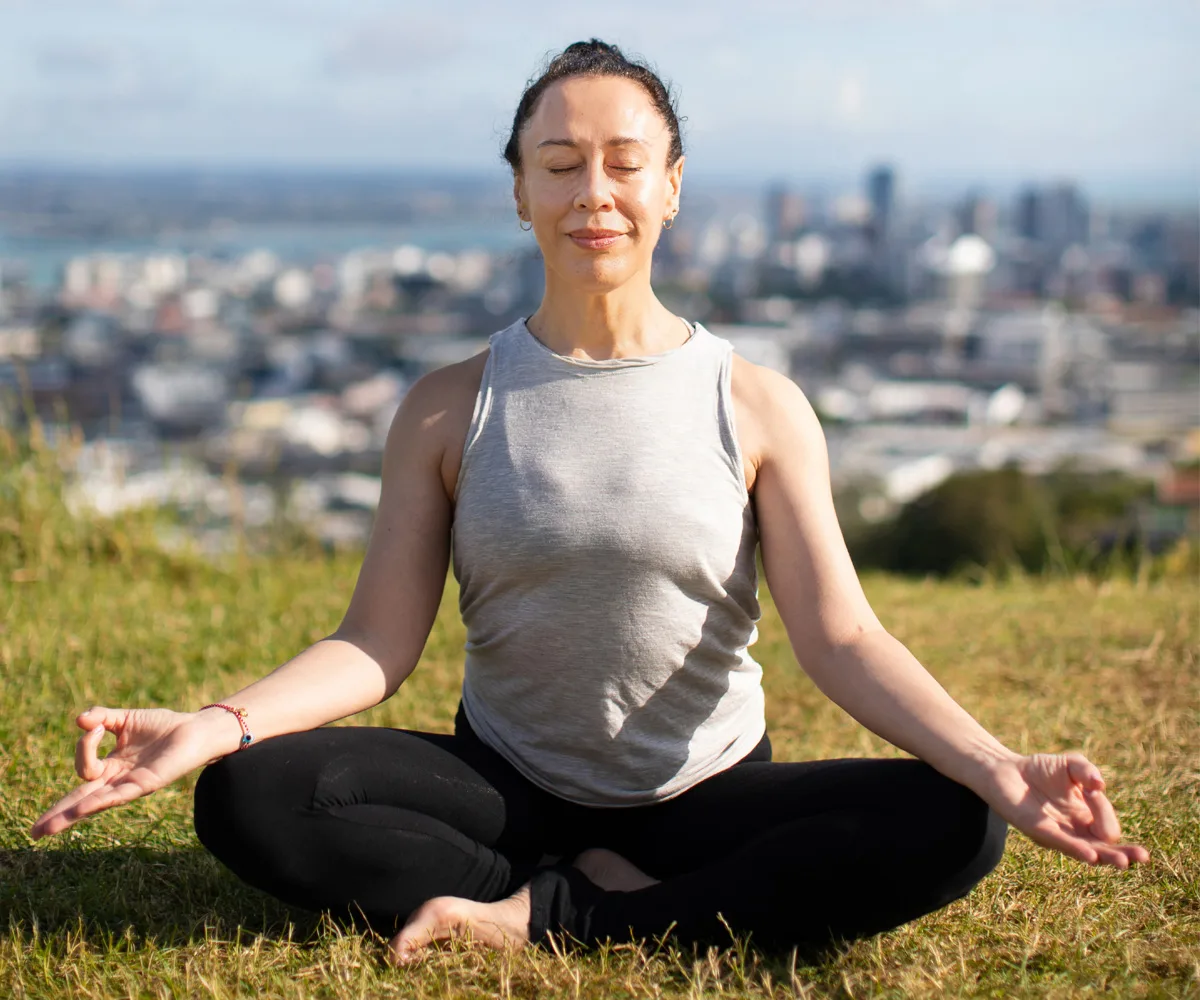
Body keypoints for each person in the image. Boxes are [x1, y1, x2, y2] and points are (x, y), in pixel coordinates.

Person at [31, 39, 1148, 967]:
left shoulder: (758, 404)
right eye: (560, 164)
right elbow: (375, 644)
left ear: (671, 186)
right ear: (520, 192)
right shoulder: (444, 406)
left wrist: (995, 762)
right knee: (247, 797)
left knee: (956, 821)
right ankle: (624, 898)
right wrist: (218, 724)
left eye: (625, 162)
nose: (593, 192)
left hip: (702, 787)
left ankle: (553, 916)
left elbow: (844, 636)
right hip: (505, 787)